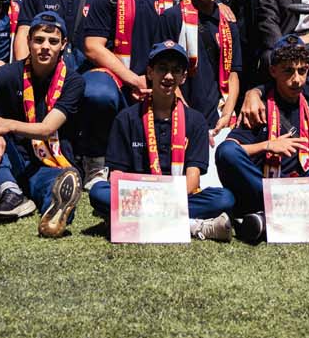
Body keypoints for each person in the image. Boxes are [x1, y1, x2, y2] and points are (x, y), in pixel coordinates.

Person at [89, 40, 235, 241]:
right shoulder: (127, 118)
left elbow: (192, 180)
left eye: (176, 71)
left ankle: (133, 219)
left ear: (183, 77)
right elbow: (118, 176)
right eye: (162, 69)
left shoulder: (195, 121)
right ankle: (192, 225)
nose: (168, 76)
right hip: (138, 195)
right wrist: (148, 198)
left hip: (178, 197)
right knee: (99, 192)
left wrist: (164, 200)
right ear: (150, 73)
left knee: (224, 198)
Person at [0, 10, 85, 237]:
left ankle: (54, 210)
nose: (45, 47)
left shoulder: (74, 81)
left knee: (55, 182)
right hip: (12, 154)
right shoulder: (11, 71)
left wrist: (6, 125)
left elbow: (47, 128)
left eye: (53, 41)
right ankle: (11, 190)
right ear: (28, 41)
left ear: (63, 45)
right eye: (38, 40)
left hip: (51, 160)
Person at [79, 0, 181, 181]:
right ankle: (94, 161)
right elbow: (92, 47)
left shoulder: (173, 0)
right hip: (113, 76)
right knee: (98, 94)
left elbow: (171, 56)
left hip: (152, 80)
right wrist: (132, 78)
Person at [216, 35, 309, 242]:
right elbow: (229, 149)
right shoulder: (258, 106)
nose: (297, 79)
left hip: (300, 184)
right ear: (273, 71)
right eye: (288, 71)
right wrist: (268, 145)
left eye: (302, 71)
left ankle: (267, 217)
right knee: (226, 154)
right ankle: (286, 210)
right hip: (263, 185)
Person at [174, 0, 242, 131]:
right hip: (181, 112)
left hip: (219, 115)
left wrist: (228, 113)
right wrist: (185, 112)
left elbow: (234, 72)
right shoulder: (173, 17)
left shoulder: (229, 22)